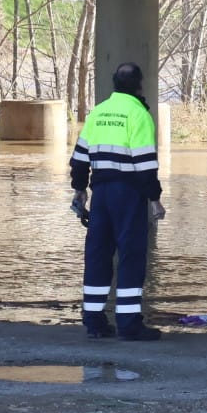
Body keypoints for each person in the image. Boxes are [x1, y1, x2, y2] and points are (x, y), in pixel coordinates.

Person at [71, 62, 166, 341]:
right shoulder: (139, 115)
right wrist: (155, 199)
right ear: (140, 85)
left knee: (98, 254)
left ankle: (94, 321)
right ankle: (129, 324)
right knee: (131, 256)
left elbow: (79, 157)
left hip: (100, 194)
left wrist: (79, 189)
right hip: (128, 194)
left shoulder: (98, 112)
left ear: (114, 83)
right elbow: (146, 164)